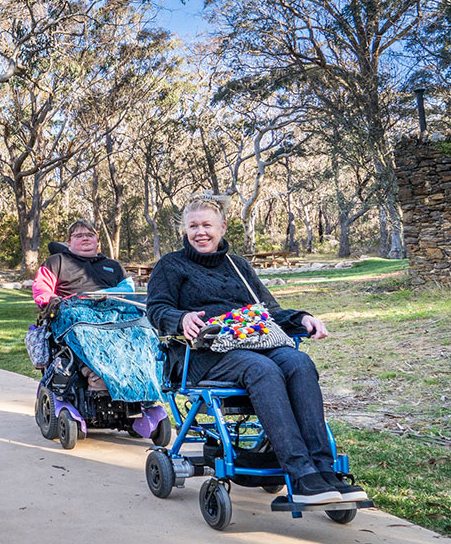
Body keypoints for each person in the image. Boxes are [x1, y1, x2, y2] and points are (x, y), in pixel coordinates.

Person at [146, 195, 367, 505]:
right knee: (261, 369)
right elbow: (155, 308)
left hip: (254, 342)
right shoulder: (171, 265)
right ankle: (301, 474)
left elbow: (268, 310)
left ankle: (324, 471)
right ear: (185, 229)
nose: (200, 232)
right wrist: (181, 318)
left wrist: (302, 318)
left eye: (207, 225)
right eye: (193, 226)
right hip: (202, 354)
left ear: (222, 228)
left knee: (298, 362)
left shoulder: (238, 266)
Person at [33, 219, 126, 390]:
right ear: (69, 242)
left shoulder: (114, 266)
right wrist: (51, 301)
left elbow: (128, 291)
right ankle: (95, 373)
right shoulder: (56, 262)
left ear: (97, 241)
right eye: (79, 235)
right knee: (81, 323)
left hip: (111, 314)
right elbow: (41, 288)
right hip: (73, 315)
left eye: (90, 235)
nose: (85, 238)